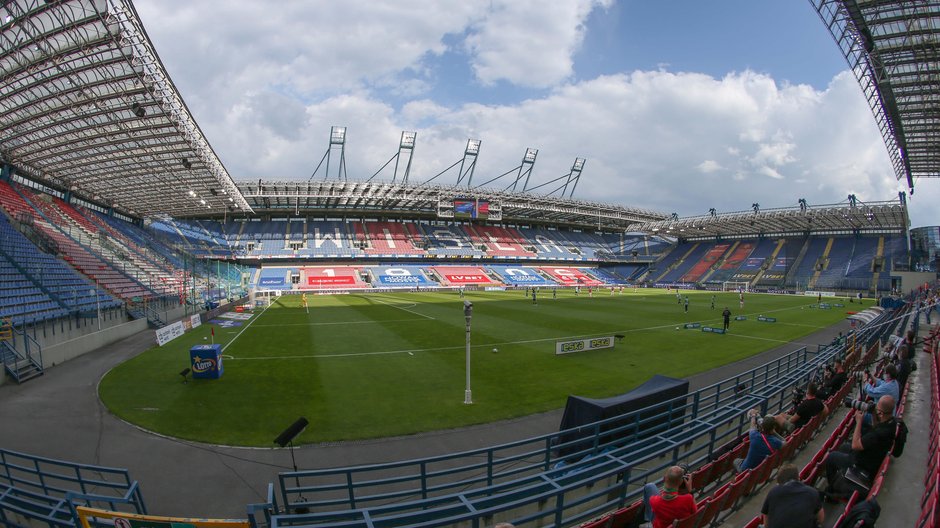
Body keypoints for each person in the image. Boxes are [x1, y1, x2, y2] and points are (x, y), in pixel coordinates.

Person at [824, 395, 898, 497]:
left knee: (831, 457)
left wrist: (859, 421)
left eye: (877, 408)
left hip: (862, 466)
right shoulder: (891, 422)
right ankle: (838, 477)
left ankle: (832, 491)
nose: (874, 408)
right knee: (844, 446)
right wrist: (873, 415)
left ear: (880, 413)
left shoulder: (879, 433)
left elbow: (855, 445)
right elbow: (876, 426)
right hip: (870, 455)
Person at [761, 464, 823, 528]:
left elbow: (766, 524)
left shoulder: (773, 492)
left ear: (779, 482)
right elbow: (821, 519)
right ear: (798, 478)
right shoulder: (812, 492)